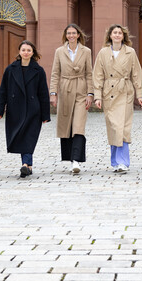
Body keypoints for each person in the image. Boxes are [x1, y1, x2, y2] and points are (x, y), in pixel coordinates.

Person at [93, 24, 142, 173]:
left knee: (123, 127)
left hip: (125, 91)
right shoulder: (103, 53)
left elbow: (136, 73)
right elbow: (97, 75)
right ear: (110, 35)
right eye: (114, 33)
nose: (117, 35)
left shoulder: (130, 52)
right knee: (113, 127)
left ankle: (123, 162)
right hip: (109, 93)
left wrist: (139, 94)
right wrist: (97, 96)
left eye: (119, 33)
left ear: (123, 36)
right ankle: (115, 161)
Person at [0, 40, 50, 178]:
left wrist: (45, 114)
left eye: (29, 50)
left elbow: (43, 93)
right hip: (16, 109)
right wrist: (0, 109)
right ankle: (28, 165)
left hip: (33, 109)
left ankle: (25, 164)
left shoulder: (38, 70)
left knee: (29, 137)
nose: (26, 52)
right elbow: (3, 91)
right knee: (20, 136)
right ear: (19, 52)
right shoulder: (10, 69)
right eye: (23, 50)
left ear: (33, 53)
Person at [50, 24, 94, 174]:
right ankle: (69, 157)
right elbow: (55, 73)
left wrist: (90, 94)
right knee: (66, 125)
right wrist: (53, 93)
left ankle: (76, 160)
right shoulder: (60, 51)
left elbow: (89, 73)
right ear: (65, 35)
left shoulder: (86, 51)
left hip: (81, 89)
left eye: (74, 33)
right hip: (65, 88)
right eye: (68, 33)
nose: (71, 35)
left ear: (78, 35)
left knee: (78, 126)